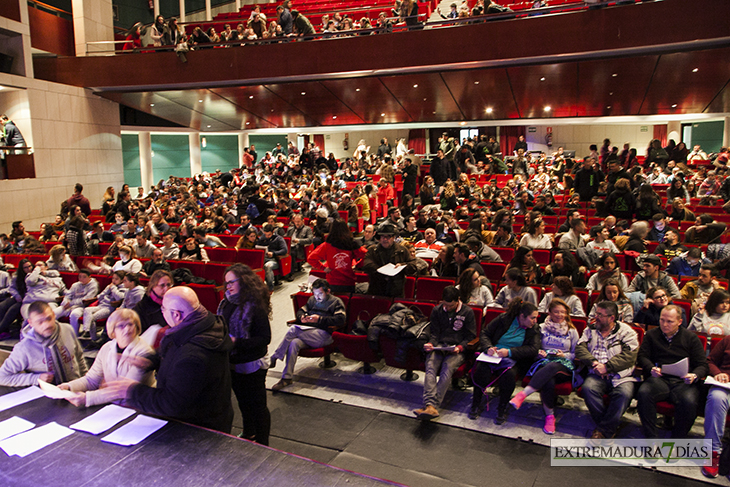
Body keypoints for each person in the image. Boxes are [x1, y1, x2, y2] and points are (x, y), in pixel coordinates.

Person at [107, 286, 234, 433]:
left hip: (199, 429)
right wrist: (152, 361)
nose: (161, 311)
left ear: (177, 315)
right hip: (208, 415)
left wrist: (132, 390)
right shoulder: (199, 325)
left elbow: (171, 404)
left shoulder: (194, 355)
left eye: (163, 308)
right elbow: (176, 355)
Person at [217, 264, 272, 445]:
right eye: (226, 283)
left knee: (258, 406)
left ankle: (263, 443)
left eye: (232, 282)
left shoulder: (255, 306)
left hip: (253, 364)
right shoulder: (226, 302)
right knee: (243, 402)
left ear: (244, 281)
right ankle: (249, 433)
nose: (228, 287)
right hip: (232, 362)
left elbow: (265, 338)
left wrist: (237, 342)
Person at [509, 299, 580, 434]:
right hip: (543, 362)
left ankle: (523, 394)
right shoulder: (541, 327)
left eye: (562, 312)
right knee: (548, 381)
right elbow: (534, 347)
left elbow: (575, 353)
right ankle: (550, 417)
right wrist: (538, 353)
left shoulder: (572, 331)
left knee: (553, 366)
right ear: (549, 313)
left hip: (563, 365)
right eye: (556, 312)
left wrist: (564, 356)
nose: (559, 315)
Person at [636, 305, 708, 438]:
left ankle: (677, 440)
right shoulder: (652, 335)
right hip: (659, 378)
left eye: (669, 321)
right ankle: (652, 439)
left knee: (689, 401)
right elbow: (642, 357)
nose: (664, 324)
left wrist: (694, 375)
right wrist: (650, 367)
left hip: (683, 381)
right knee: (644, 393)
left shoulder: (690, 338)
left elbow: (702, 365)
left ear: (679, 322)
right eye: (662, 320)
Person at [59, 309, 155, 407]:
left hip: (138, 407)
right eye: (121, 326)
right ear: (113, 330)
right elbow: (91, 380)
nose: (127, 329)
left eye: (130, 324)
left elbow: (125, 390)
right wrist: (69, 386)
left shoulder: (144, 352)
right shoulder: (107, 347)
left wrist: (87, 398)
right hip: (113, 404)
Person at [470, 298, 540, 423]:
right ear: (522, 316)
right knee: (481, 370)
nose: (535, 321)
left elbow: (533, 349)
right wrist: (488, 347)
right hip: (493, 355)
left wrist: (510, 352)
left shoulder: (533, 328)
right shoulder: (503, 319)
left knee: (508, 375)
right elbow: (485, 333)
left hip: (513, 358)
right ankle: (475, 403)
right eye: (532, 318)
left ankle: (502, 407)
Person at [576, 300, 639, 439]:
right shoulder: (590, 329)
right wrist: (594, 363)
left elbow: (630, 356)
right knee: (588, 389)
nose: (596, 317)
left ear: (612, 318)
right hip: (596, 372)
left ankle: (603, 430)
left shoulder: (627, 332)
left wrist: (607, 367)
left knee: (624, 394)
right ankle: (610, 426)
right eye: (596, 313)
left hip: (621, 376)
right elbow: (580, 348)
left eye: (600, 315)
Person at [414, 286, 477, 421]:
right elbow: (435, 333)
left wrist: (460, 347)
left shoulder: (467, 312)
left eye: (451, 305)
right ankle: (431, 406)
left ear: (458, 301)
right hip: (439, 346)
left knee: (447, 369)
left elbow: (471, 336)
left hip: (456, 349)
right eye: (445, 304)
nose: (447, 308)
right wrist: (431, 343)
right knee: (430, 366)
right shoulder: (437, 310)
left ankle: (431, 406)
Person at [270, 279, 345, 391]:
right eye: (315, 294)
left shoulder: (336, 302)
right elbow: (300, 311)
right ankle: (286, 378)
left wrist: (319, 319)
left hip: (325, 335)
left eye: (320, 294)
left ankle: (275, 356)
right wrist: (302, 317)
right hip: (309, 333)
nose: (317, 297)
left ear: (328, 291)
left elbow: (341, 319)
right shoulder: (312, 300)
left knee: (293, 329)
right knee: (294, 343)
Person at [0, 301, 87, 386]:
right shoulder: (24, 348)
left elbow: (79, 358)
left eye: (49, 318)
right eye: (40, 322)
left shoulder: (67, 330)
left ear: (54, 315)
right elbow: (2, 377)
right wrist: (36, 378)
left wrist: (86, 382)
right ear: (31, 323)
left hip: (75, 387)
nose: (46, 325)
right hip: (49, 394)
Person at [307, 219, 367, 294]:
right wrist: (358, 266)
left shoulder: (327, 245)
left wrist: (323, 268)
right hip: (348, 281)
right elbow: (367, 256)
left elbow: (311, 258)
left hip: (332, 282)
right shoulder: (352, 244)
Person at [362, 224, 416, 297]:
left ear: (393, 237)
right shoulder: (373, 250)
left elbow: (413, 266)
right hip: (376, 288)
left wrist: (402, 266)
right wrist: (381, 270)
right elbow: (366, 264)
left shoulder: (402, 250)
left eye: (388, 237)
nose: (385, 239)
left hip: (396, 290)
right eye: (383, 237)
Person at [81, 270, 126, 340]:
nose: (114, 280)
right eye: (113, 278)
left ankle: (93, 338)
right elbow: (101, 295)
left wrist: (113, 288)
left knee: (92, 318)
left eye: (116, 279)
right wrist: (101, 296)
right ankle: (86, 330)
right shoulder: (110, 286)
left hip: (109, 308)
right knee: (87, 310)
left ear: (122, 280)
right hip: (101, 305)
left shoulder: (123, 288)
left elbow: (120, 297)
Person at [55, 269, 99, 335]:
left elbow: (85, 299)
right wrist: (65, 302)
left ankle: (74, 335)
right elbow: (68, 295)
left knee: (74, 314)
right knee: (55, 312)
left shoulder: (93, 285)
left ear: (89, 277)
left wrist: (70, 303)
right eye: (80, 277)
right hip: (70, 305)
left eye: (84, 277)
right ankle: (53, 333)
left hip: (82, 306)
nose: (81, 279)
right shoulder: (75, 285)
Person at [134, 269, 174, 334]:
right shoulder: (141, 308)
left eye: (169, 285)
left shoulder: (174, 303)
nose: (166, 289)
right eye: (162, 285)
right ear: (153, 286)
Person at [257, 223, 288, 291]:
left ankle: (269, 288)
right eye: (265, 234)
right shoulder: (262, 238)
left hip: (274, 260)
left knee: (267, 266)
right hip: (264, 258)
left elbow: (284, 250)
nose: (267, 236)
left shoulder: (279, 239)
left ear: (273, 232)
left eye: (269, 235)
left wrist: (273, 253)